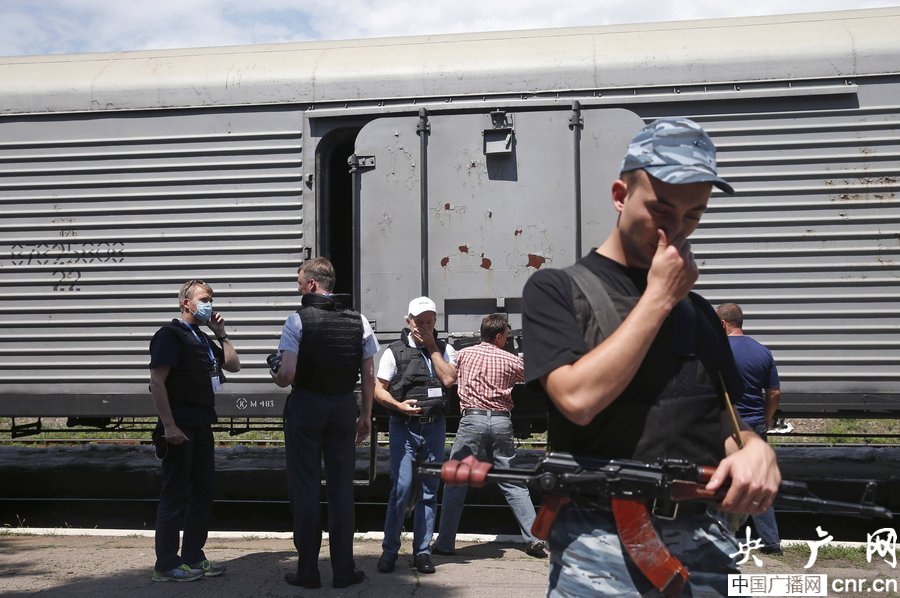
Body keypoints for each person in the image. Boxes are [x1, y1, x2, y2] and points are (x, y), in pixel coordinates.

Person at [522, 118, 781, 596]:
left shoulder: (698, 312)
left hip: (705, 543)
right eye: (661, 210)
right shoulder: (557, 290)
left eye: (693, 215)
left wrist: (754, 449)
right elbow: (577, 399)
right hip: (599, 547)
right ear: (620, 195)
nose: (676, 230)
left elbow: (723, 426)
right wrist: (659, 298)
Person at [271, 257, 379, 589]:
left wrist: (274, 370)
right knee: (341, 490)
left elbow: (287, 374)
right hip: (343, 407)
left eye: (299, 283)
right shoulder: (359, 320)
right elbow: (369, 374)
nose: (298, 288)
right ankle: (344, 571)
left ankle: (308, 571)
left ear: (313, 284)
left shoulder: (297, 320)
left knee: (305, 488)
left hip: (306, 407)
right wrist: (365, 414)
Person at [432, 313, 545, 558]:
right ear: (499, 335)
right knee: (512, 480)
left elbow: (447, 375)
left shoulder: (463, 355)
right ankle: (534, 538)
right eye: (507, 335)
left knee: (457, 481)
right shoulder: (509, 359)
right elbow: (535, 377)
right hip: (502, 422)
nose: (507, 339)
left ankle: (445, 543)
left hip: (472, 421)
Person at [148, 279, 241, 582]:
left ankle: (193, 557)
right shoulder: (170, 336)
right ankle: (166, 565)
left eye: (211, 299)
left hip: (202, 424)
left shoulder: (201, 338)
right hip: (180, 426)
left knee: (203, 492)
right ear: (186, 303)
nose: (209, 304)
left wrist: (221, 334)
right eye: (204, 299)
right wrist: (169, 425)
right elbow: (157, 383)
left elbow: (233, 365)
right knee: (174, 494)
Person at [374, 296, 457, 575]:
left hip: (434, 427)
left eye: (429, 322)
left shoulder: (445, 349)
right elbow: (379, 390)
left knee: (429, 492)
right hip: (404, 427)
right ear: (409, 321)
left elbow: (449, 379)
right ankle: (390, 550)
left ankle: (422, 552)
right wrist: (398, 406)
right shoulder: (394, 351)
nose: (424, 327)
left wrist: (432, 346)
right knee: (401, 489)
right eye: (420, 322)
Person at [716, 302, 783, 555]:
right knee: (757, 480)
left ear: (723, 323)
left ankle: (724, 538)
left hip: (727, 426)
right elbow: (774, 392)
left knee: (722, 480)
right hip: (754, 425)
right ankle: (771, 542)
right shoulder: (762, 351)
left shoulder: (718, 350)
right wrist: (767, 418)